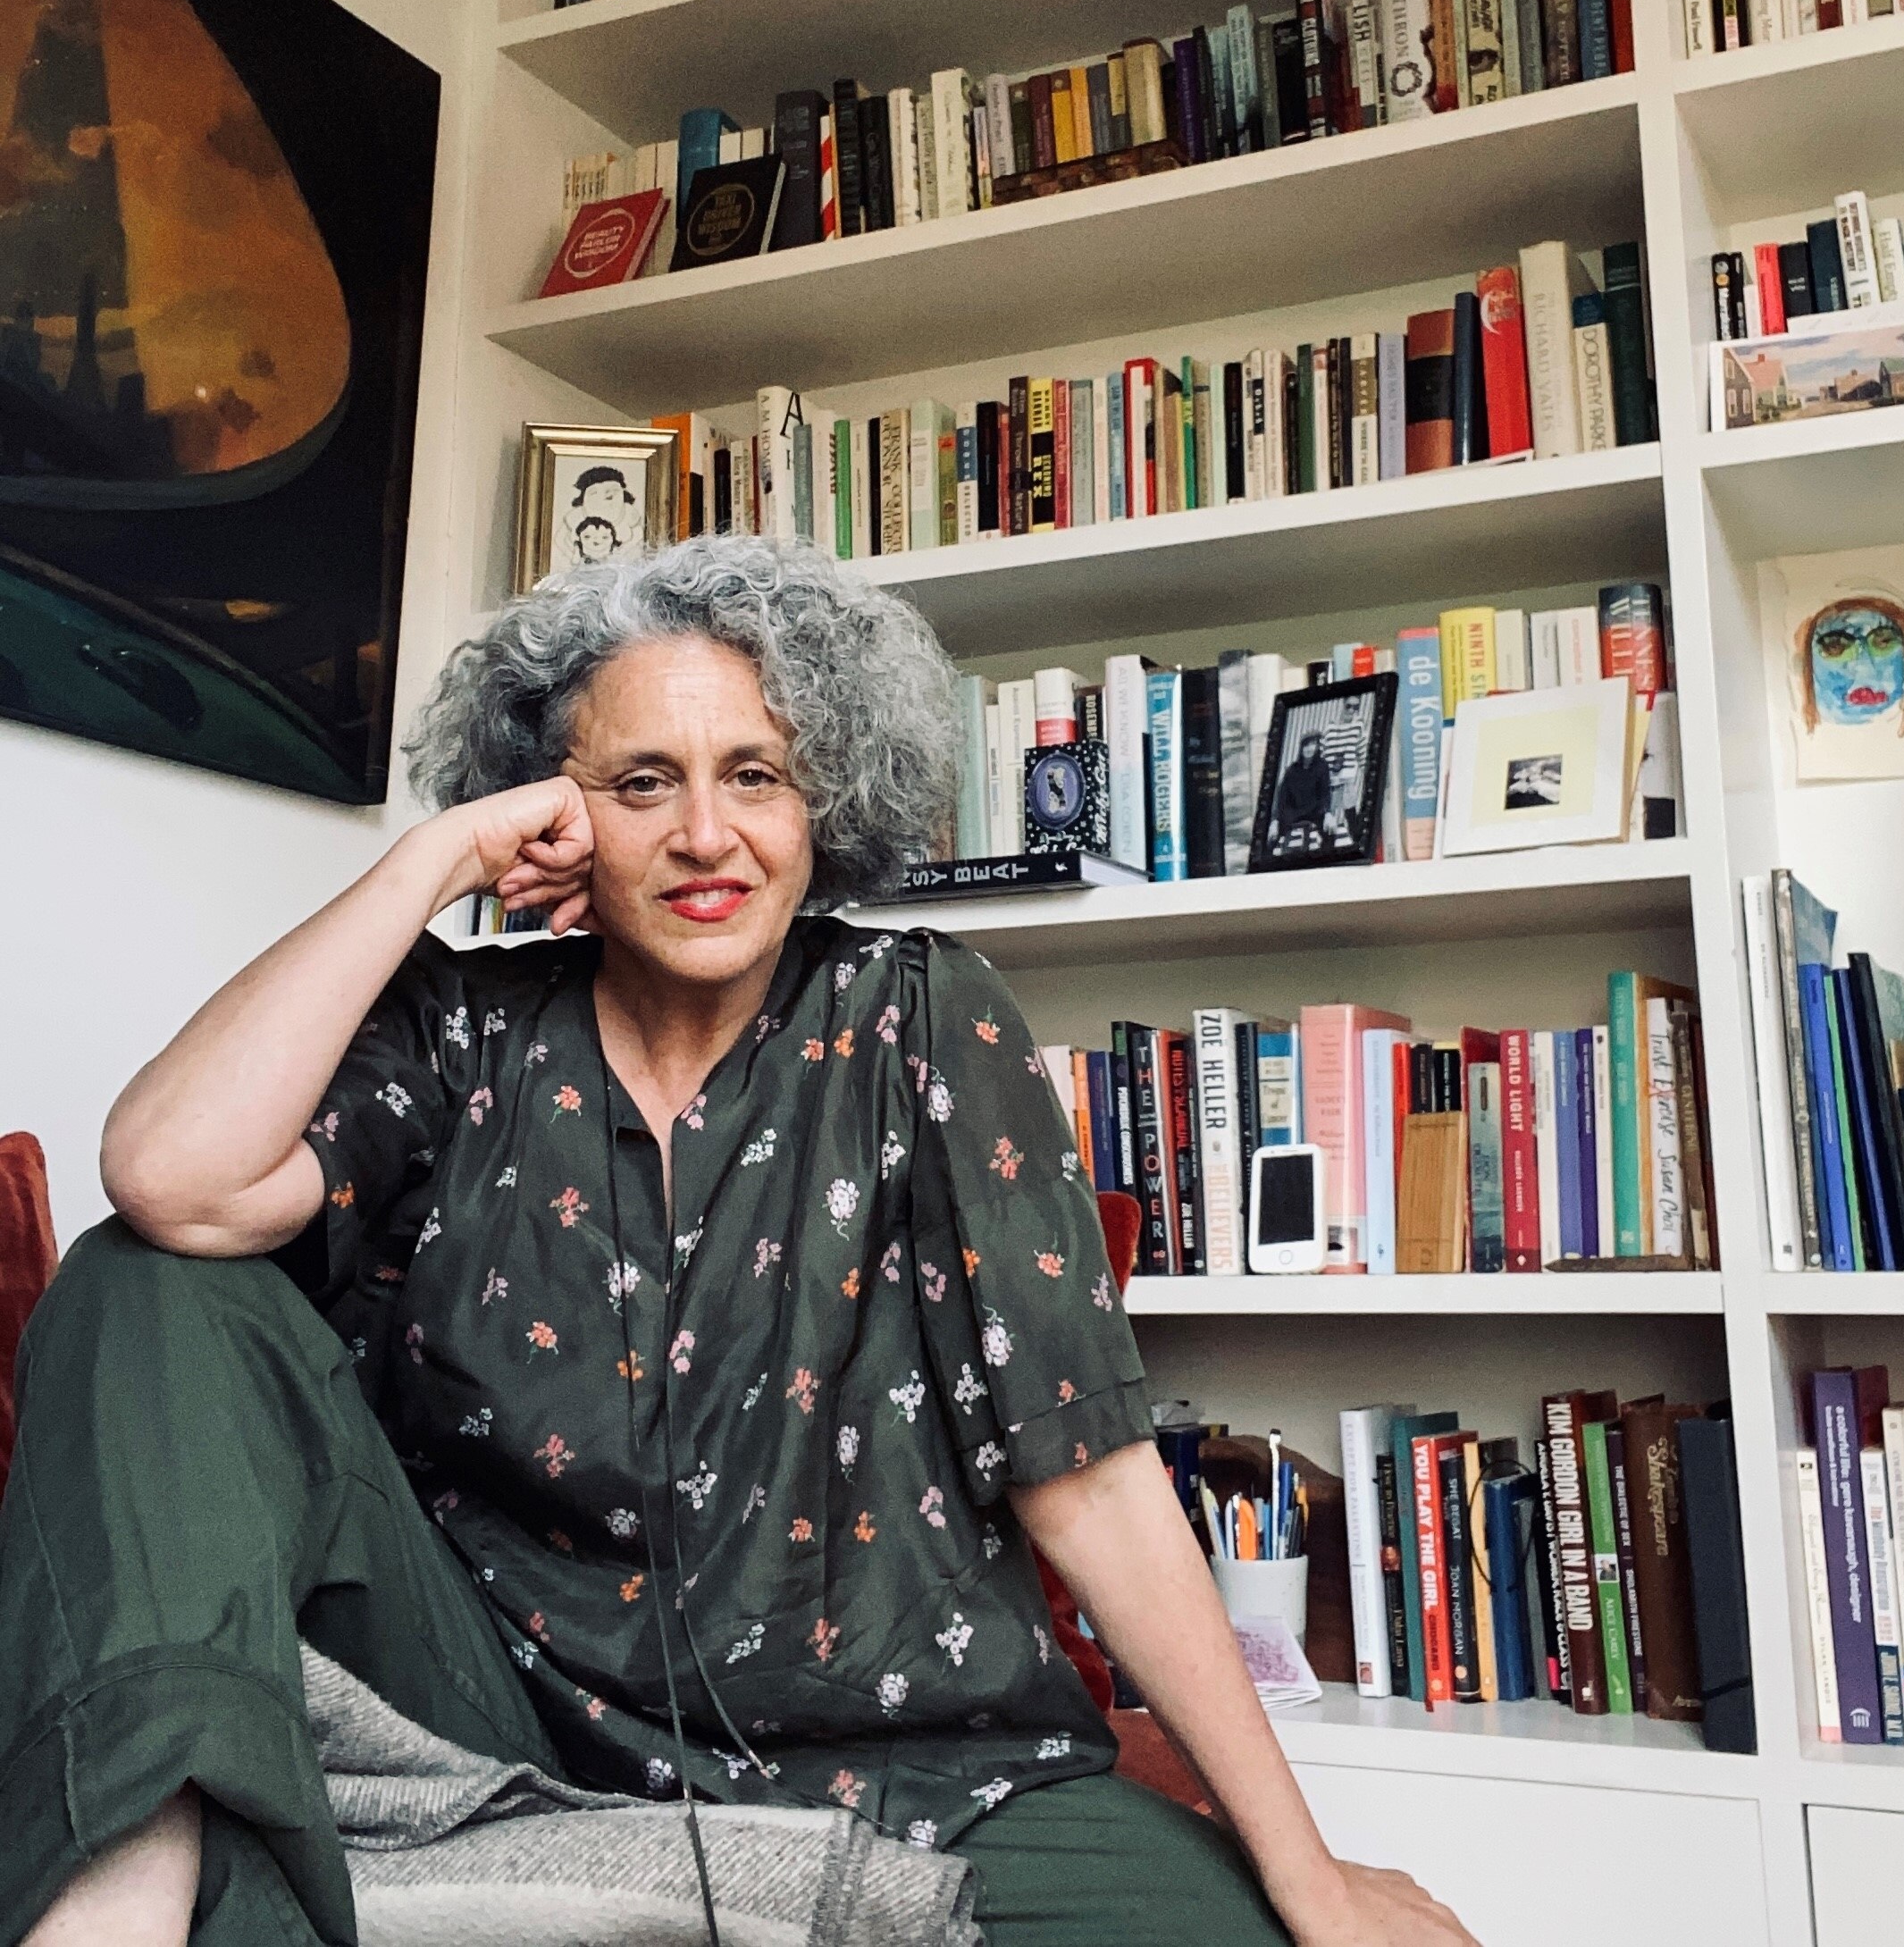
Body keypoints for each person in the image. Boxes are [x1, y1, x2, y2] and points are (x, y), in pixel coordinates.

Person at [2, 541, 1477, 1947]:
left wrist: (1308, 1869)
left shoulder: (922, 1014)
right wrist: (432, 859)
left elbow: (1083, 1468)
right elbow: (169, 1174)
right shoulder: (457, 1029)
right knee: (141, 1272)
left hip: (901, 1757)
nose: (705, 834)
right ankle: (117, 1888)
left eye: (753, 775)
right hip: (505, 1722)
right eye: (642, 781)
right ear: (557, 813)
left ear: (821, 801)